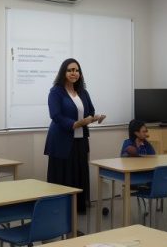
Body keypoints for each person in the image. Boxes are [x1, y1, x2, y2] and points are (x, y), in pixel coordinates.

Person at [44, 58, 106, 215]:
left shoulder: (83, 92)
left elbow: (90, 111)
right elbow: (56, 115)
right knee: (63, 176)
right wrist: (75, 124)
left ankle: (77, 207)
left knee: (79, 173)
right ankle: (59, 209)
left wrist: (96, 117)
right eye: (70, 70)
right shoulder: (56, 91)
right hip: (61, 141)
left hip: (80, 140)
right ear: (63, 72)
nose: (74, 73)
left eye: (77, 70)